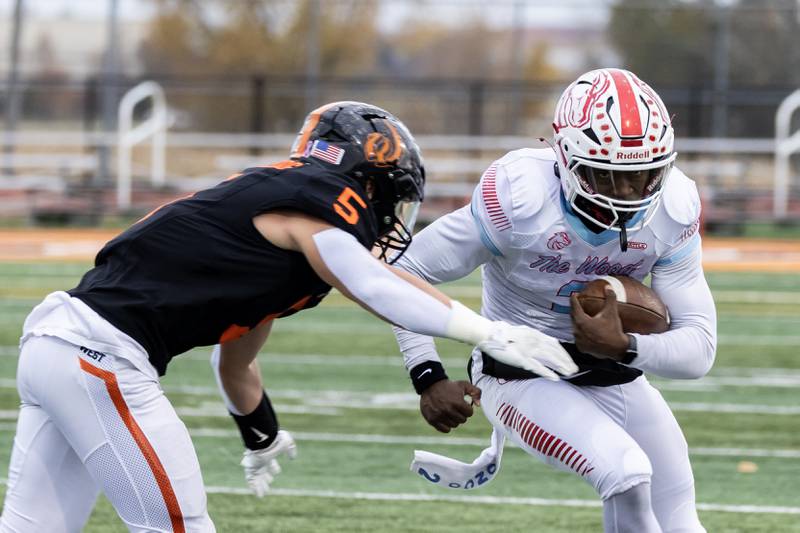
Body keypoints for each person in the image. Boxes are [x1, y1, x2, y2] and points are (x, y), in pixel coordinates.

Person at [0, 101, 577, 533]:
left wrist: (262, 435)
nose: (393, 218)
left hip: (56, 348)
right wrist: (490, 332)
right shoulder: (317, 199)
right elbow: (371, 282)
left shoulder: (269, 240)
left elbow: (238, 362)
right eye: (391, 198)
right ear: (365, 182)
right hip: (99, 358)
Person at [394, 69, 717, 532]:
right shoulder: (521, 202)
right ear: (564, 158)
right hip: (518, 374)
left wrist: (625, 347)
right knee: (626, 472)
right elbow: (406, 272)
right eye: (607, 176)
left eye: (642, 175)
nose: (627, 194)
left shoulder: (673, 206)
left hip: (611, 372)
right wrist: (426, 374)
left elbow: (699, 350)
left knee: (680, 516)